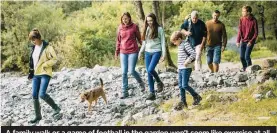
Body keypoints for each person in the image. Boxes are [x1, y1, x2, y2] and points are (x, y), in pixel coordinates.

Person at [28, 28, 61, 123]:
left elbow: (55, 59)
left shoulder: (48, 47)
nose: (33, 41)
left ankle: (56, 108)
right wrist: (31, 73)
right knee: (34, 95)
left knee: (42, 94)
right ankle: (38, 116)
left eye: (33, 39)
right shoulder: (33, 48)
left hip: (45, 73)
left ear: (38, 38)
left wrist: (45, 65)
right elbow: (32, 62)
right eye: (31, 40)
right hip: (36, 75)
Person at [115, 12, 146, 99]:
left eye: (126, 18)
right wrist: (116, 52)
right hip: (123, 52)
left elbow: (139, 38)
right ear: (121, 19)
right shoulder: (120, 28)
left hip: (133, 51)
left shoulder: (134, 26)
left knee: (131, 70)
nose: (125, 20)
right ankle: (125, 91)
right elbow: (118, 40)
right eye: (123, 19)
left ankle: (140, 83)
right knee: (124, 72)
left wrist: (144, 48)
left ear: (129, 18)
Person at [170, 31, 202, 110]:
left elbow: (193, 53)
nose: (174, 43)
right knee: (181, 86)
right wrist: (178, 67)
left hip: (186, 68)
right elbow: (181, 57)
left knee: (184, 85)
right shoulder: (180, 45)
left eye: (175, 41)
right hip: (181, 68)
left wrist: (187, 61)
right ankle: (183, 102)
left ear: (179, 39)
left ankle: (196, 96)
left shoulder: (185, 44)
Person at [139, 13, 166, 101]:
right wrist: (140, 52)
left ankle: (158, 81)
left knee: (150, 69)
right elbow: (144, 42)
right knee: (149, 73)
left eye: (151, 20)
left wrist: (164, 54)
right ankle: (152, 93)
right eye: (148, 21)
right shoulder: (146, 29)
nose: (149, 22)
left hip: (156, 51)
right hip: (147, 52)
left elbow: (163, 42)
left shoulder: (159, 29)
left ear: (154, 20)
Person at [236, 6, 258, 72]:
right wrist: (238, 41)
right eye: (242, 11)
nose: (242, 13)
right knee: (241, 57)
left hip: (250, 41)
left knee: (247, 56)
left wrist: (251, 41)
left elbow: (256, 33)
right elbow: (240, 31)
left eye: (244, 11)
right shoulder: (241, 19)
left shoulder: (254, 20)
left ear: (248, 12)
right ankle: (245, 69)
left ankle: (251, 69)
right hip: (243, 41)